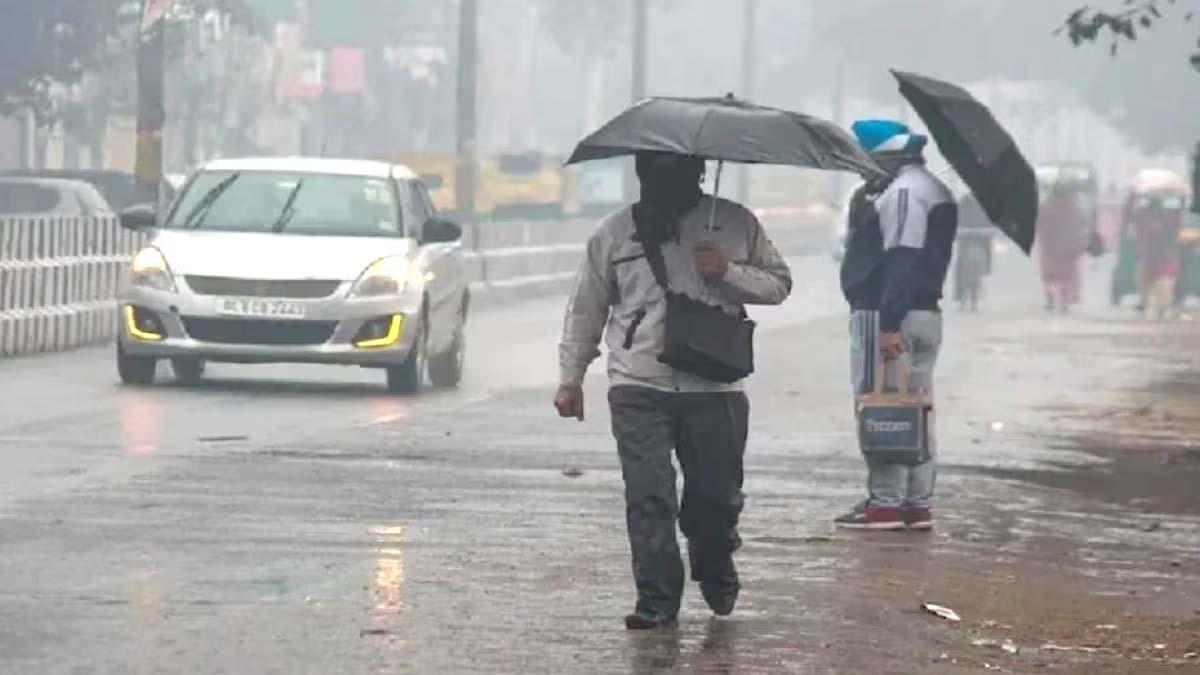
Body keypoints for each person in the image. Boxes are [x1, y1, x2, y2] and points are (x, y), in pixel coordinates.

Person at [554, 151, 792, 629]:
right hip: (638, 382)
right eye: (652, 171)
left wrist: (727, 271)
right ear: (640, 174)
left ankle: (715, 559)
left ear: (698, 172)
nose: (663, 182)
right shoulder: (614, 234)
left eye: (675, 172)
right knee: (649, 495)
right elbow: (586, 308)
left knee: (715, 498)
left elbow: (779, 284)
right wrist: (570, 377)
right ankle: (656, 600)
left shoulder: (735, 223)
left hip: (716, 386)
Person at [835, 120, 957, 531]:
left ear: (883, 156)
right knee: (916, 409)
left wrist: (889, 323)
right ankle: (916, 502)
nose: (860, 168)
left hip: (889, 316)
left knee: (883, 406)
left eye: (862, 159)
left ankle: (885, 503)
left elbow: (902, 258)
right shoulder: (932, 187)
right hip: (923, 314)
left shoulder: (904, 193)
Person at [1036, 183, 1089, 313]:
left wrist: (1042, 238)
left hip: (1050, 246)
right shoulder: (1073, 207)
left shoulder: (1046, 206)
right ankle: (1064, 302)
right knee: (1065, 276)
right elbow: (1080, 225)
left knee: (1049, 275)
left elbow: (1039, 224)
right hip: (1067, 247)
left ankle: (1050, 298)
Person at [1131, 191, 1184, 318]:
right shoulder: (1170, 217)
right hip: (1163, 254)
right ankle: (1160, 306)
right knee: (1162, 280)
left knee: (1148, 280)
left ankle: (1146, 304)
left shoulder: (1144, 216)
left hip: (1152, 254)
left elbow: (1135, 219)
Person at [953, 192, 994, 311]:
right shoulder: (963, 202)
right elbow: (956, 221)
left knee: (976, 271)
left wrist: (987, 231)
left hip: (981, 244)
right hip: (966, 243)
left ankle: (974, 299)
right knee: (962, 271)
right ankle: (962, 298)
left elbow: (991, 224)